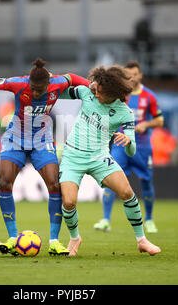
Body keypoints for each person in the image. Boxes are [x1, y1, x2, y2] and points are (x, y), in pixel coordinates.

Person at [0, 58, 90, 256]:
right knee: (4, 183)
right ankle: (11, 238)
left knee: (54, 184)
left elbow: (74, 78)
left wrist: (90, 85)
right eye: (32, 89)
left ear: (48, 84)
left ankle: (54, 241)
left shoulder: (58, 83)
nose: (35, 93)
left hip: (42, 140)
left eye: (39, 90)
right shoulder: (18, 83)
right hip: (15, 140)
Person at [59, 65, 161, 257]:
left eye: (101, 93)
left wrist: (129, 141)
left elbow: (131, 152)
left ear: (113, 93)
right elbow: (58, 93)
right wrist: (52, 84)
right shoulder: (87, 93)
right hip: (73, 157)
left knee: (127, 192)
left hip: (100, 158)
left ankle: (142, 240)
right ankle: (74, 237)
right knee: (69, 202)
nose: (97, 95)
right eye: (96, 91)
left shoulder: (125, 112)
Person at [94, 61, 163, 233]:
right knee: (110, 180)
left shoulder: (149, 96)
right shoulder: (118, 95)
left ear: (140, 75)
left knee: (146, 182)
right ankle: (105, 219)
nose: (132, 77)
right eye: (128, 74)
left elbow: (160, 120)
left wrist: (146, 124)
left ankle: (149, 219)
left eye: (135, 74)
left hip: (142, 146)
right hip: (119, 145)